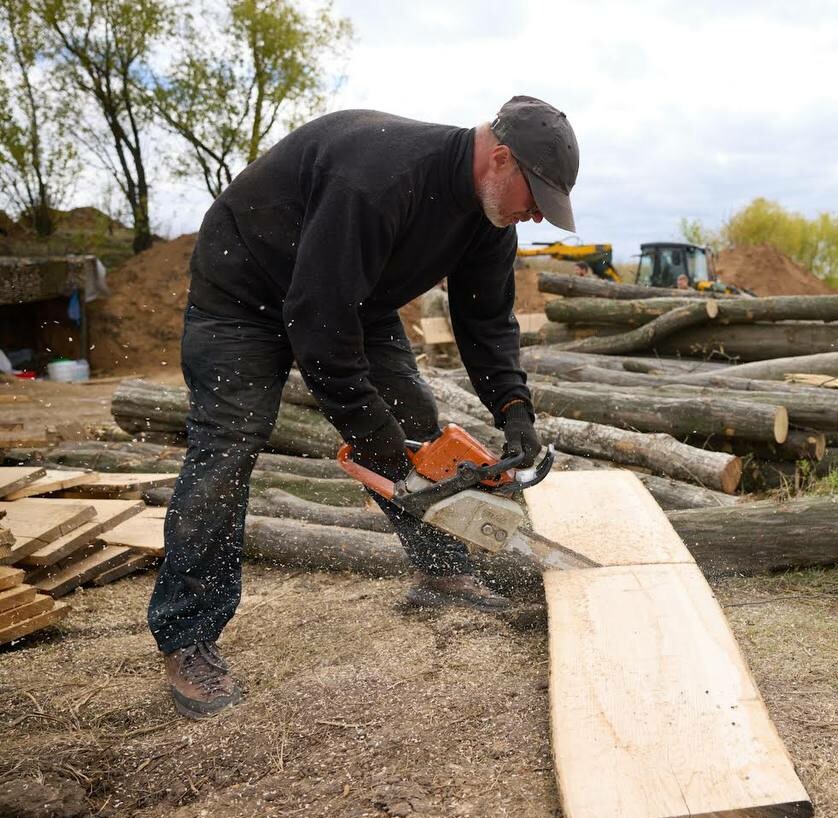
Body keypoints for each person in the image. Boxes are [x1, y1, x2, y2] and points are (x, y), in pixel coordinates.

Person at [150, 95, 578, 719]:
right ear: (501, 158)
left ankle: (441, 571)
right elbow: (317, 322)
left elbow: (486, 321)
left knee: (417, 426)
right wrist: (370, 429)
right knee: (228, 445)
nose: (537, 214)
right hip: (244, 292)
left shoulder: (491, 220)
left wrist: (514, 406)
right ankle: (187, 636)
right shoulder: (380, 179)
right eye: (535, 196)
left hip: (351, 298)